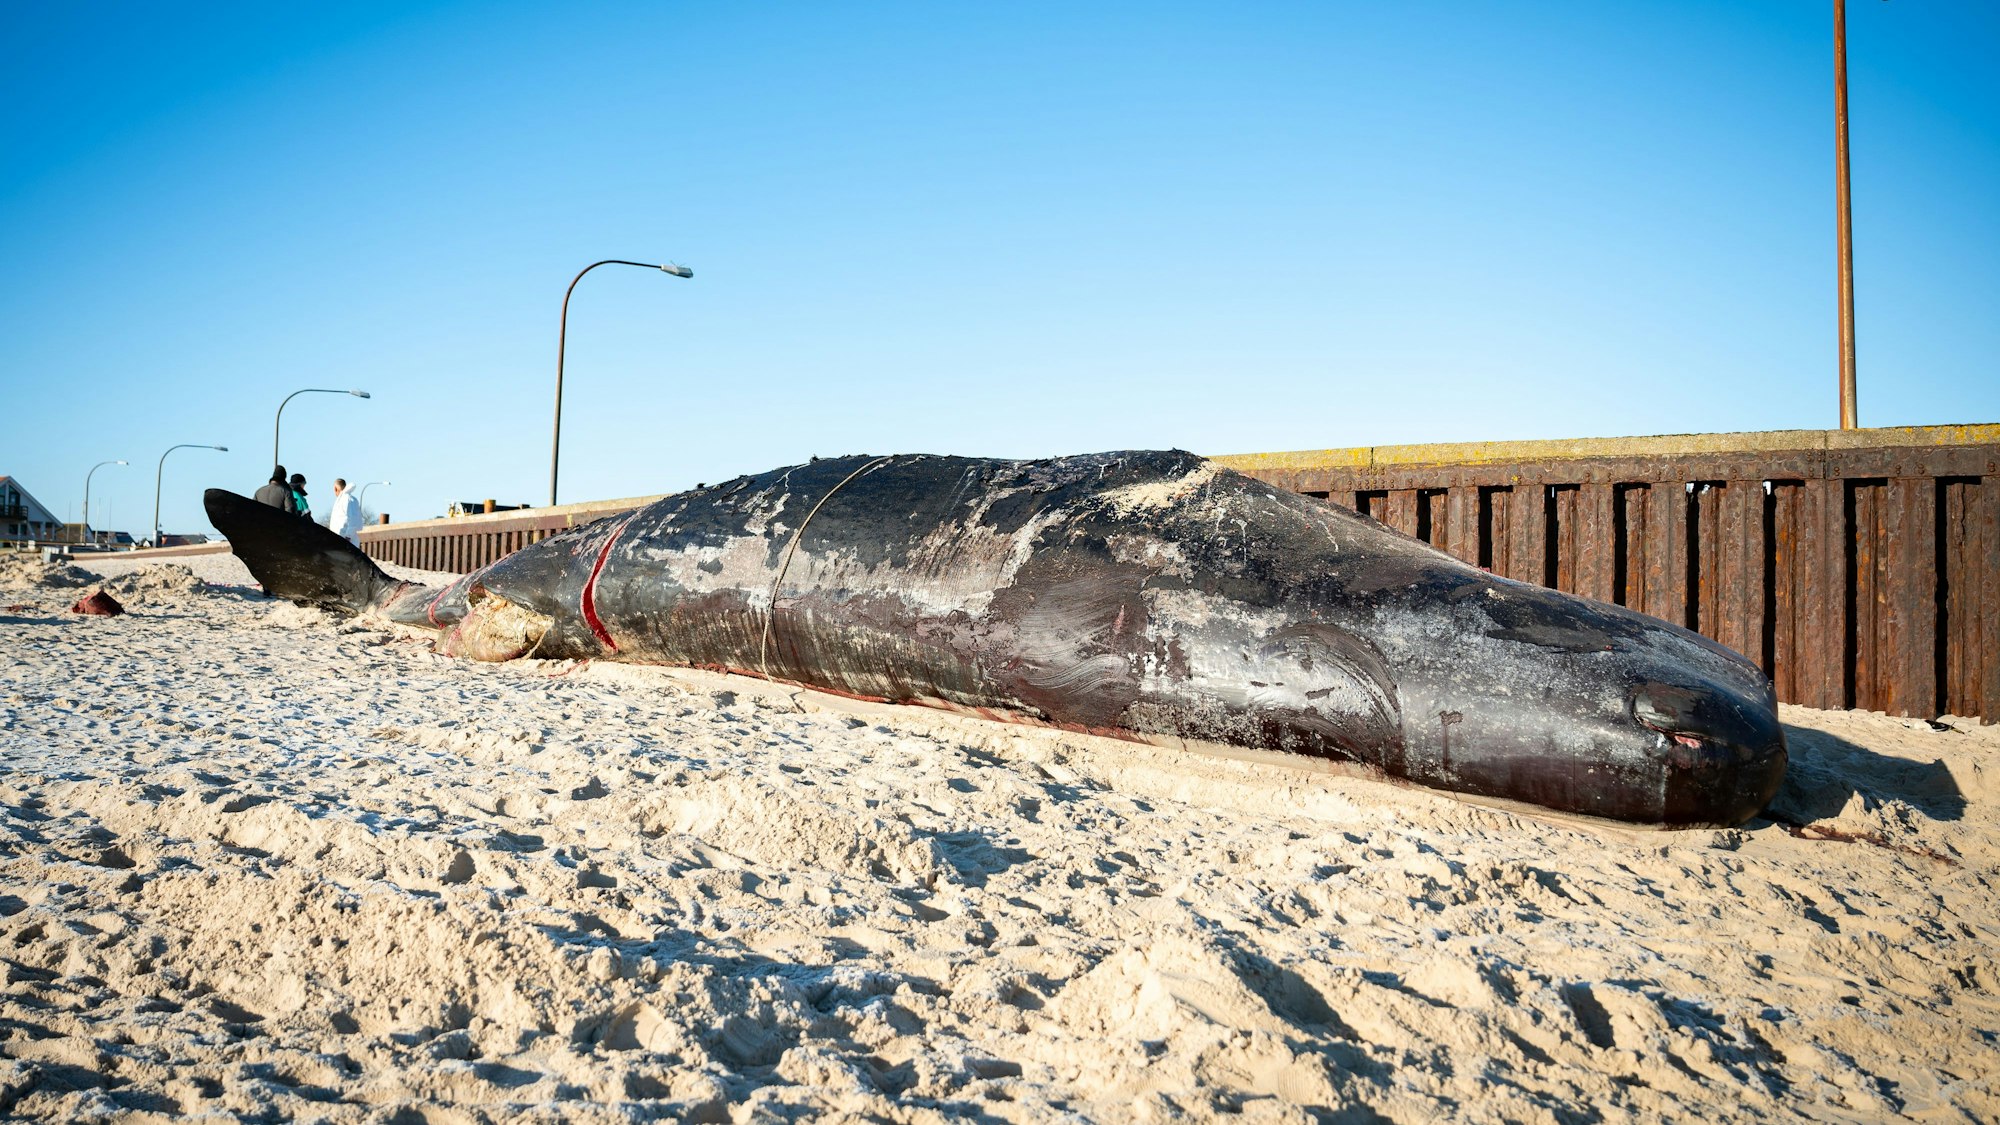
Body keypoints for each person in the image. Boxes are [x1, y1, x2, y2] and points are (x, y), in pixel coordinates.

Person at [326, 477, 364, 547]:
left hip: (346, 541)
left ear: (335, 488)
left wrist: (348, 537)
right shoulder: (344, 499)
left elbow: (353, 520)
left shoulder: (347, 499)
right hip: (341, 539)